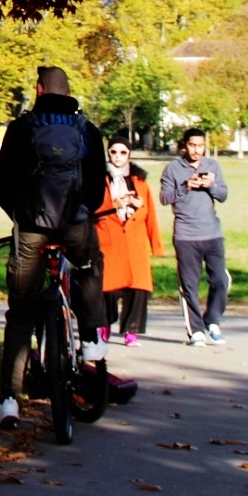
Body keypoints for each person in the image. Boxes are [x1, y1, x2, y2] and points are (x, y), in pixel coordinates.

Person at [0, 65, 107, 430]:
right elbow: (96, 186)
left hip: (30, 229)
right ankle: (90, 337)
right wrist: (81, 213)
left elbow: (3, 183)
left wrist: (19, 214)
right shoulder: (87, 129)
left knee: (20, 314)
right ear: (68, 91)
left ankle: (8, 400)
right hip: (74, 225)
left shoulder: (21, 128)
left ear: (39, 89)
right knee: (89, 267)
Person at [159, 127, 230, 346]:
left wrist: (211, 186)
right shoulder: (172, 168)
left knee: (221, 279)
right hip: (185, 234)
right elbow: (164, 198)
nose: (197, 150)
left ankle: (213, 320)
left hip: (212, 232)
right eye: (192, 145)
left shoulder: (212, 166)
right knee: (189, 284)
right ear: (184, 146)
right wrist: (186, 186)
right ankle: (196, 330)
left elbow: (223, 195)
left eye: (200, 146)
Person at [95, 138, 161, 345]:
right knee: (108, 288)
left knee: (138, 287)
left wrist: (156, 244)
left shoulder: (140, 181)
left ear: (129, 155)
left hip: (135, 241)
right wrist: (115, 204)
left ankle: (131, 330)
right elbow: (91, 210)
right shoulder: (98, 180)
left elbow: (150, 214)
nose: (118, 156)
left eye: (123, 153)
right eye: (113, 152)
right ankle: (103, 324)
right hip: (109, 239)